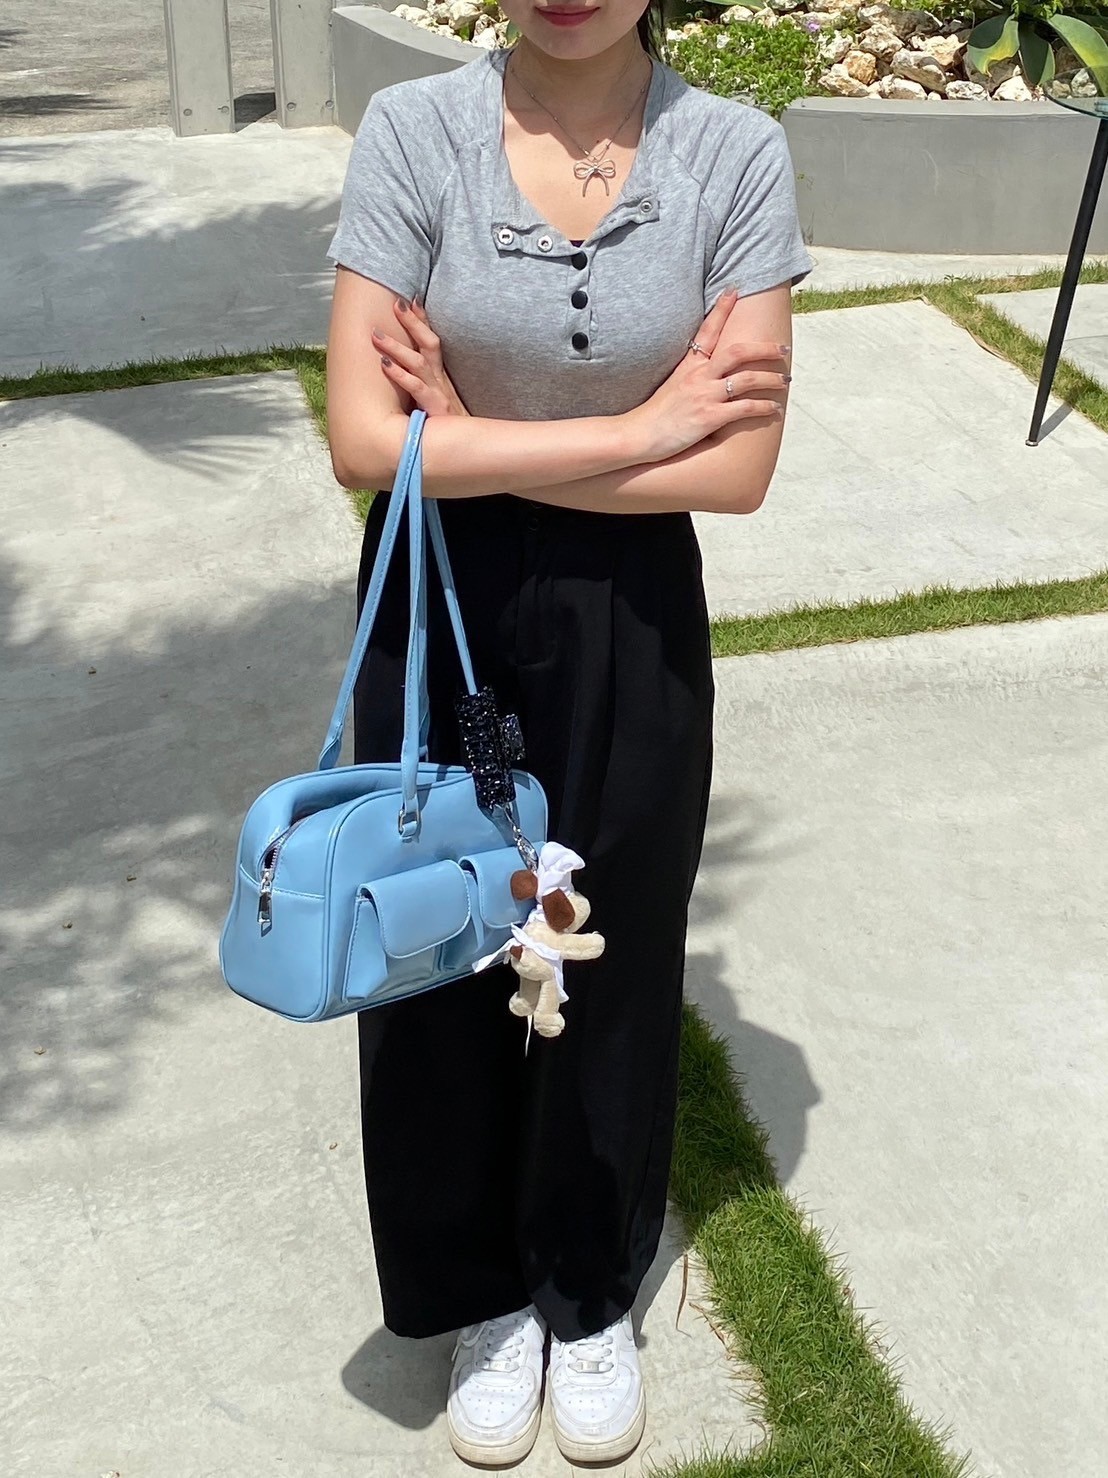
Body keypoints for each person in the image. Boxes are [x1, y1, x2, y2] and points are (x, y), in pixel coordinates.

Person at [324, 0, 814, 1465]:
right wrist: (641, 428)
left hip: (633, 612)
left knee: (616, 937)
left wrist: (470, 434)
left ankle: (586, 1286)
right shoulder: (416, 134)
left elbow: (738, 470)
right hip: (440, 603)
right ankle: (479, 1293)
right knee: (437, 941)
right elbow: (365, 441)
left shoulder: (734, 155)